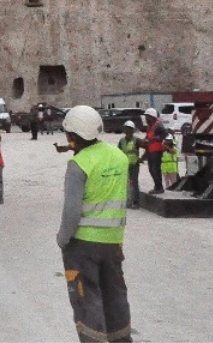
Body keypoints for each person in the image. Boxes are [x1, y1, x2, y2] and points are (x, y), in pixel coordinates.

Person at [57, 106, 133, 343]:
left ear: (72, 135)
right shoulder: (119, 158)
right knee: (115, 296)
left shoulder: (78, 164)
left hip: (83, 246)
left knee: (86, 298)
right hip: (113, 242)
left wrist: (62, 238)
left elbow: (71, 212)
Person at [140, 108, 167, 194]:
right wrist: (143, 141)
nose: (146, 119)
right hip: (150, 151)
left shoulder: (158, 126)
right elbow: (147, 137)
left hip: (156, 151)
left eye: (147, 117)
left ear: (152, 117)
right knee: (151, 169)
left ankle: (159, 187)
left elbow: (165, 134)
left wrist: (154, 139)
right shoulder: (150, 127)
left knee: (155, 169)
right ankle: (157, 186)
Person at [117, 121, 141, 208]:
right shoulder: (121, 141)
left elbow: (147, 147)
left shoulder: (136, 140)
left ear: (132, 130)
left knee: (134, 183)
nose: (126, 130)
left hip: (134, 165)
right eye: (125, 128)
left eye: (128, 129)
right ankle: (127, 200)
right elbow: (118, 152)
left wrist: (142, 159)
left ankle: (135, 202)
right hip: (124, 165)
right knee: (125, 183)